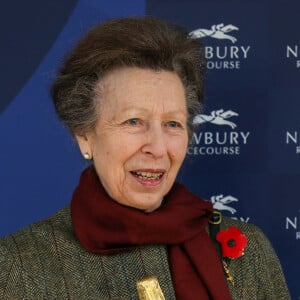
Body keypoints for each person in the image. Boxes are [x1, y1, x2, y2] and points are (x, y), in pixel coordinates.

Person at [0, 16, 290, 300]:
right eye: (134, 121)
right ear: (84, 135)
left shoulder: (249, 252)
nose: (158, 147)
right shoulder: (19, 266)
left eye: (172, 124)